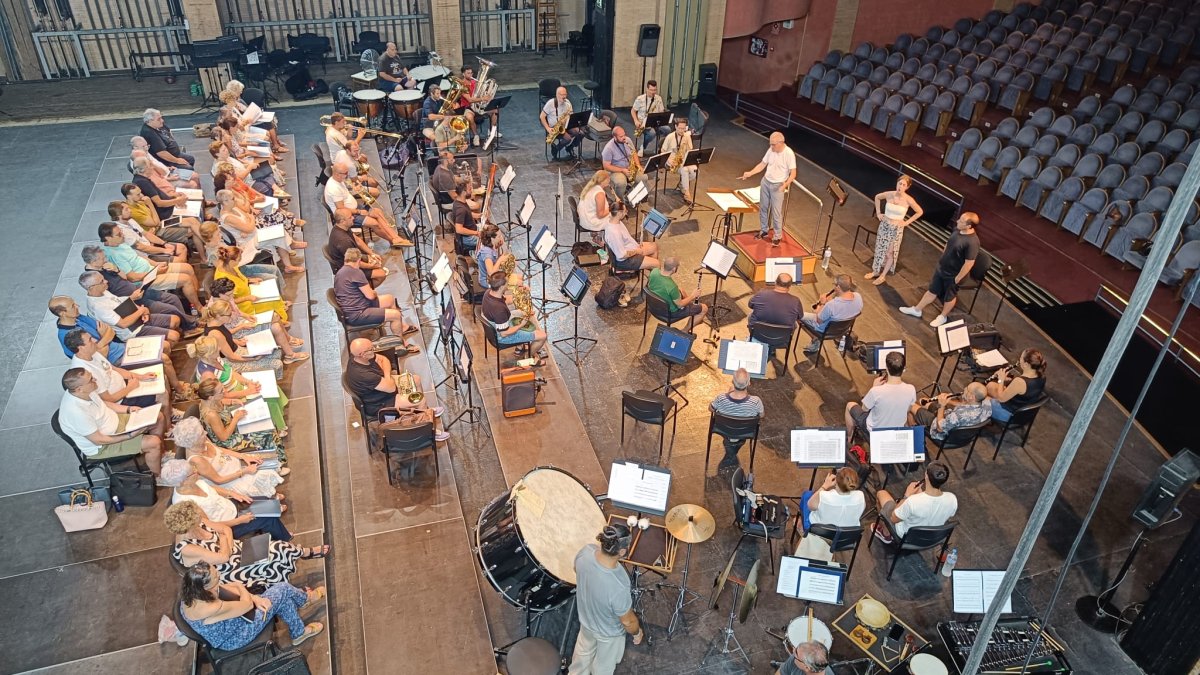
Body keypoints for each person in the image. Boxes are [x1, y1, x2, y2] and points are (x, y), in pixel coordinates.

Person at [164, 501, 326, 586]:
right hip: (229, 571)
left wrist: (225, 543)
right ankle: (301, 557)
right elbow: (223, 559)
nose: (201, 517)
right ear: (188, 525)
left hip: (238, 551)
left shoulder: (200, 522)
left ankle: (302, 554)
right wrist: (224, 541)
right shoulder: (187, 548)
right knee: (276, 551)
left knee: (278, 547)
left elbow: (226, 529)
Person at [178, 563, 323, 650]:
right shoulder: (210, 607)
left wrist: (254, 597)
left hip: (233, 621)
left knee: (282, 600)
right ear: (205, 585)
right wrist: (241, 587)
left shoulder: (192, 592)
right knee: (282, 588)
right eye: (216, 576)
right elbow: (246, 605)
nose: (219, 574)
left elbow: (226, 589)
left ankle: (298, 632)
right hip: (236, 635)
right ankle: (305, 599)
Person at [57, 367, 164, 475]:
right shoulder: (76, 413)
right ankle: (157, 477)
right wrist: (129, 436)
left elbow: (104, 404)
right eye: (91, 380)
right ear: (80, 389)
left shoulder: (84, 391)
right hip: (103, 446)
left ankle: (159, 456)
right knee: (154, 443)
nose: (95, 379)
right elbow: (99, 440)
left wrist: (128, 409)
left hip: (114, 421)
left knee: (157, 417)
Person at [567, 524, 643, 675]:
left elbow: (577, 570)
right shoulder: (619, 582)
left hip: (586, 622)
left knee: (581, 659)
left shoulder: (586, 552)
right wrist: (637, 632)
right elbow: (627, 621)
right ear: (622, 551)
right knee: (603, 668)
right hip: (608, 634)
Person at [345, 338, 450, 441]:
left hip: (381, 387)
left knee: (416, 380)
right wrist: (388, 379)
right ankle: (428, 432)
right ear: (362, 354)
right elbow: (391, 388)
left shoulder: (358, 357)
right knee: (420, 400)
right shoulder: (363, 375)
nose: (374, 349)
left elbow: (383, 359)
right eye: (371, 349)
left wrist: (387, 376)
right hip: (379, 403)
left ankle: (424, 412)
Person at [191, 334, 288, 432]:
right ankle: (276, 428)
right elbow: (222, 396)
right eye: (216, 348)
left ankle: (278, 419)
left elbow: (231, 372)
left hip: (238, 387)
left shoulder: (215, 358)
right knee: (266, 398)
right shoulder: (208, 375)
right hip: (230, 399)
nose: (220, 348)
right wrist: (248, 392)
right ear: (208, 354)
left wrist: (248, 382)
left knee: (269, 386)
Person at [99, 221, 204, 312]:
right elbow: (132, 277)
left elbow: (140, 257)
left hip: (152, 269)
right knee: (186, 279)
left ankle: (196, 297)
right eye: (118, 234)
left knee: (188, 268)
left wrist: (156, 264)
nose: (122, 235)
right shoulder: (114, 255)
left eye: (121, 231)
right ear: (108, 238)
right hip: (146, 280)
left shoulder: (120, 243)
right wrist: (155, 271)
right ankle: (199, 308)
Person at [899, 212, 980, 328]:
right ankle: (917, 309)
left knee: (949, 296)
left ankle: (943, 316)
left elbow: (969, 263)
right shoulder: (957, 230)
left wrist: (958, 278)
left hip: (954, 274)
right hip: (942, 268)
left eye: (961, 221)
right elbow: (949, 243)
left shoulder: (972, 242)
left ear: (969, 226)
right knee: (932, 290)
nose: (957, 221)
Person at [172, 416, 286, 496]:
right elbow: (219, 480)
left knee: (264, 465)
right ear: (194, 441)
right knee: (265, 476)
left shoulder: (201, 440)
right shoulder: (197, 460)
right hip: (230, 481)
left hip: (236, 466)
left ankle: (269, 493)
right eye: (202, 434)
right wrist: (244, 471)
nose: (205, 433)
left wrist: (243, 456)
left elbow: (219, 449)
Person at [334, 250, 420, 347]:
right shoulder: (356, 272)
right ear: (358, 261)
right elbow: (370, 295)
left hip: (354, 308)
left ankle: (402, 327)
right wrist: (373, 292)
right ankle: (400, 344)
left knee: (390, 299)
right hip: (358, 314)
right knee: (395, 315)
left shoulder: (340, 272)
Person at [65, 329, 162, 409]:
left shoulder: (93, 353)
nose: (95, 340)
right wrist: (130, 388)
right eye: (90, 340)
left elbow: (114, 369)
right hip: (121, 401)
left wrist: (141, 376)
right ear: (81, 348)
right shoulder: (85, 372)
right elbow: (108, 400)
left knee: (160, 379)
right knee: (162, 394)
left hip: (125, 386)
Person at [324, 161, 412, 248]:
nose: (347, 175)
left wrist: (355, 190)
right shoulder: (334, 188)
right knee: (374, 223)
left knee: (377, 212)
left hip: (354, 208)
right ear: (337, 174)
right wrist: (359, 212)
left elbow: (346, 195)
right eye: (345, 173)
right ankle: (392, 241)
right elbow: (341, 209)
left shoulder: (339, 180)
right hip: (348, 216)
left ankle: (396, 238)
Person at [197, 378, 286, 463]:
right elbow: (224, 437)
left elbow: (221, 401)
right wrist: (235, 419)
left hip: (232, 427)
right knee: (268, 432)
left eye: (222, 388)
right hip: (229, 441)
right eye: (221, 391)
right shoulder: (211, 415)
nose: (225, 391)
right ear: (211, 397)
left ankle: (276, 454)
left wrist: (232, 401)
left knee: (268, 422)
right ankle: (277, 462)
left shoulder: (209, 400)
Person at [80, 270, 181, 344]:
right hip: (132, 331)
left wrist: (140, 309)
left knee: (175, 320)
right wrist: (141, 311)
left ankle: (161, 341)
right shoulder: (98, 307)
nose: (106, 281)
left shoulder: (102, 291)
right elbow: (123, 324)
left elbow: (120, 301)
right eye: (102, 281)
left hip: (137, 318)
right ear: (91, 287)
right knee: (174, 336)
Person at [874, 461, 958, 543]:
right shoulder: (952, 499)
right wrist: (921, 495)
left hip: (905, 536)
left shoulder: (912, 501)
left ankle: (886, 534)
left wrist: (906, 496)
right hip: (929, 538)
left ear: (926, 475)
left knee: (881, 493)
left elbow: (893, 518)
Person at [739, 131, 797, 246]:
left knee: (776, 212)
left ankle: (777, 235)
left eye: (773, 144)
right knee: (763, 208)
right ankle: (764, 230)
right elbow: (762, 164)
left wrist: (785, 185)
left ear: (780, 143)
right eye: (770, 144)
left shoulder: (789, 153)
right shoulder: (771, 150)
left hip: (778, 185)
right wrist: (750, 173)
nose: (771, 146)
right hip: (766, 182)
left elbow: (793, 173)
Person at [844, 351, 915, 444]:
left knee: (850, 405)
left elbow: (864, 409)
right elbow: (907, 410)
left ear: (886, 369)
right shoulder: (911, 389)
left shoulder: (876, 391)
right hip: (895, 433)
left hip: (874, 433)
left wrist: (873, 387)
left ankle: (849, 438)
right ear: (904, 369)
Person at [795, 467, 865, 561]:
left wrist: (825, 486)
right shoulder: (860, 496)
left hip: (820, 534)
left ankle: (802, 527)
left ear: (836, 482)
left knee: (807, 495)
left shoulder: (824, 496)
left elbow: (810, 506)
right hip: (845, 538)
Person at [867, 174, 924, 286]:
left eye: (903, 185)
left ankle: (883, 276)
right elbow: (877, 197)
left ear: (907, 187)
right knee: (880, 248)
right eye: (899, 183)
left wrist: (906, 222)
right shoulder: (890, 194)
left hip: (896, 229)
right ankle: (875, 271)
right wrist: (878, 213)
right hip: (885, 225)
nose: (900, 186)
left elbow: (919, 212)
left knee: (890, 252)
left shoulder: (909, 200)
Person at [482, 271, 547, 358]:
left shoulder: (489, 292)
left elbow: (506, 300)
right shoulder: (499, 310)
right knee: (542, 336)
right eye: (507, 282)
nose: (508, 284)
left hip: (497, 324)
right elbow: (504, 333)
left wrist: (520, 293)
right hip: (503, 337)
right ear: (501, 287)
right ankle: (528, 358)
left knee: (524, 313)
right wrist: (521, 325)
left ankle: (519, 348)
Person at [709, 368, 764, 469]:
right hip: (745, 431)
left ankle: (730, 445)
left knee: (729, 432)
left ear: (732, 381)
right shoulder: (756, 401)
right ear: (749, 383)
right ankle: (735, 444)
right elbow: (761, 415)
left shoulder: (721, 398)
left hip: (723, 429)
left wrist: (729, 393)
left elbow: (711, 409)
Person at [49, 295, 125, 364]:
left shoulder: (78, 317)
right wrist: (103, 336)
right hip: (115, 360)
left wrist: (100, 344)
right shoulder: (66, 336)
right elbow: (97, 358)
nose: (77, 306)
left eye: (75, 303)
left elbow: (110, 331)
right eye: (73, 306)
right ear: (62, 313)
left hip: (122, 347)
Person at [910, 382, 992, 441]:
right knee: (924, 401)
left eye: (967, 389)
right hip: (957, 428)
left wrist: (941, 406)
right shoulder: (987, 405)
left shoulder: (957, 415)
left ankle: (913, 433)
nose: (965, 388)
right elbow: (965, 405)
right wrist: (949, 401)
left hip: (942, 430)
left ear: (971, 397)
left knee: (910, 405)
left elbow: (940, 428)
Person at [801, 274, 863, 353]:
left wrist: (822, 304)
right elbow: (843, 309)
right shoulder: (858, 297)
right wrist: (829, 302)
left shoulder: (831, 305)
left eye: (834, 285)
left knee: (798, 314)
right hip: (843, 329)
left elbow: (818, 319)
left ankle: (815, 338)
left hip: (824, 330)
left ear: (838, 287)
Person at [985, 348, 1048, 424]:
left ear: (1026, 364)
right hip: (1023, 410)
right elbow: (1024, 389)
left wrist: (1001, 380)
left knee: (979, 398)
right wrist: (1007, 380)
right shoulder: (1042, 376)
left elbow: (1001, 399)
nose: (1019, 359)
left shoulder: (1020, 382)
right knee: (990, 386)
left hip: (1011, 415)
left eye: (1021, 358)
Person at [645, 257, 707, 330]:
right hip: (669, 313)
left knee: (681, 290)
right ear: (674, 269)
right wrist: (693, 296)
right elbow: (680, 305)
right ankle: (685, 330)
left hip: (653, 306)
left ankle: (693, 311)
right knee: (704, 308)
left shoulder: (654, 271)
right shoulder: (671, 287)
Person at [328, 208, 387, 284]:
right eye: (350, 217)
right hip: (349, 269)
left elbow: (357, 240)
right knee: (381, 274)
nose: (353, 218)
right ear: (342, 221)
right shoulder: (343, 241)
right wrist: (372, 266)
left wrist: (372, 253)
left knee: (376, 259)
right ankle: (361, 289)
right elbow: (355, 263)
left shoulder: (342, 227)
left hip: (353, 258)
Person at [602, 203, 659, 272]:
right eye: (625, 211)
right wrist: (637, 251)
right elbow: (621, 255)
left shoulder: (613, 219)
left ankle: (650, 267)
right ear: (619, 213)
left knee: (654, 246)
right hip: (624, 261)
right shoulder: (614, 233)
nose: (626, 213)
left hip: (630, 248)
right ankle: (652, 268)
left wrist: (636, 246)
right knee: (657, 264)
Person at [129, 135, 200, 189]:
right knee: (193, 184)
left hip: (168, 172)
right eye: (143, 146)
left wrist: (167, 167)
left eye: (147, 145)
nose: (146, 148)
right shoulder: (139, 161)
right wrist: (169, 179)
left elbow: (157, 164)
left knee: (195, 175)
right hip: (164, 180)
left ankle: (203, 201)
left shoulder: (144, 152)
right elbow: (152, 179)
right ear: (135, 147)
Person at [601, 126, 646, 205]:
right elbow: (606, 166)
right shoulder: (608, 148)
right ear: (614, 137)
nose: (624, 138)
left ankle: (631, 196)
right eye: (621, 136)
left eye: (624, 135)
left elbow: (634, 152)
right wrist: (622, 170)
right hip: (615, 170)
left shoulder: (627, 140)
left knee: (644, 177)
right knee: (621, 183)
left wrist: (638, 165)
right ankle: (620, 201)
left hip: (629, 167)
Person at [658, 117, 697, 204]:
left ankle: (682, 184)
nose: (682, 130)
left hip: (683, 160)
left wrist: (687, 139)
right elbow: (663, 151)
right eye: (680, 128)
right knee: (685, 170)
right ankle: (687, 193)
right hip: (671, 162)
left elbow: (690, 150)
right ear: (675, 127)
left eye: (684, 128)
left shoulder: (686, 136)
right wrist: (668, 161)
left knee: (695, 171)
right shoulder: (670, 137)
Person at [541, 86, 584, 159]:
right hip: (555, 127)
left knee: (581, 133)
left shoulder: (567, 103)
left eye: (565, 94)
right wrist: (548, 128)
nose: (564, 97)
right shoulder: (550, 103)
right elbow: (542, 116)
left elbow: (571, 114)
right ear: (557, 95)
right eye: (562, 95)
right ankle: (556, 149)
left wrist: (568, 118)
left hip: (566, 125)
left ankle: (570, 148)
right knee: (568, 139)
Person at [630, 80, 670, 156]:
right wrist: (636, 121)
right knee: (652, 133)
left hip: (655, 122)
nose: (653, 92)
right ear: (647, 89)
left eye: (655, 90)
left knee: (667, 129)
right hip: (643, 123)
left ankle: (661, 147)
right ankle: (643, 146)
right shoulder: (640, 99)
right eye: (651, 90)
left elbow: (661, 111)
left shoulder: (658, 98)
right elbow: (633, 111)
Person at [577, 170, 613, 244]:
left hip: (584, 219)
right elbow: (600, 215)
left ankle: (596, 236)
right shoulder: (599, 193)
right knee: (614, 218)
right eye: (608, 179)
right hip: (590, 222)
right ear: (603, 181)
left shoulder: (590, 187)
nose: (609, 180)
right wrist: (612, 208)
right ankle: (610, 241)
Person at [475, 225, 513, 289]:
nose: (501, 238)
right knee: (518, 281)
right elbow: (491, 273)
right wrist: (500, 259)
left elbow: (494, 260)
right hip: (487, 282)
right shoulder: (487, 253)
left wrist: (498, 247)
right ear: (492, 238)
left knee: (518, 278)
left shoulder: (490, 246)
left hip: (492, 279)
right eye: (499, 236)